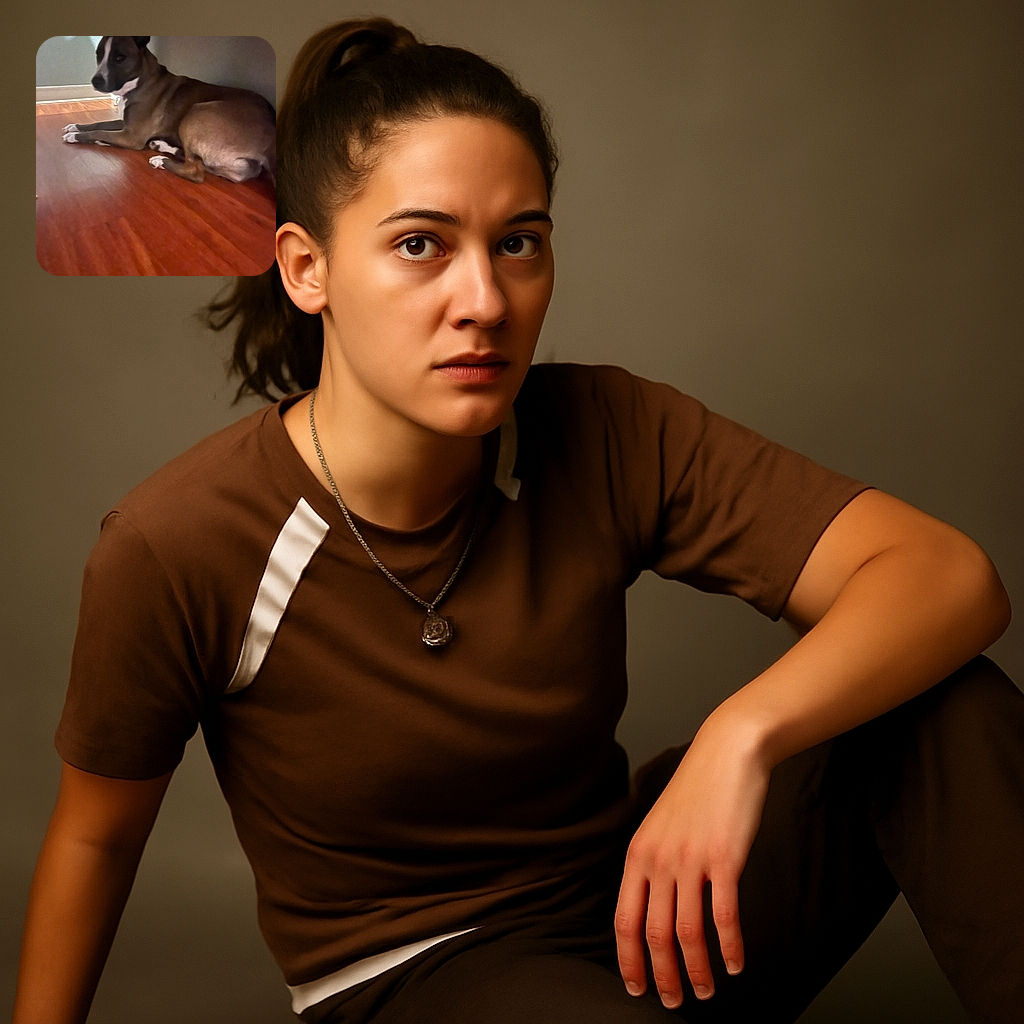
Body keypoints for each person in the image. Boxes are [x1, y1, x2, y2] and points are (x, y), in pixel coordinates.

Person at [14, 17, 1023, 1024]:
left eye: (518, 244)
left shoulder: (604, 426)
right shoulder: (178, 539)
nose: (485, 300)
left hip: (636, 915)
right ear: (305, 269)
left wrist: (740, 735)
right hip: (416, 974)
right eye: (421, 245)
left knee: (941, 707)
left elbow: (946, 576)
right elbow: (95, 837)